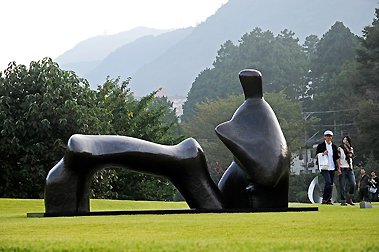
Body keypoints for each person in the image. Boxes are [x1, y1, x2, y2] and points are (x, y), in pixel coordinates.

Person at [316, 130, 339, 205]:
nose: (328, 137)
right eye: (327, 136)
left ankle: (328, 199)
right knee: (328, 182)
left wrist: (339, 168)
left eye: (330, 136)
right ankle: (324, 199)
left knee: (331, 184)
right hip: (324, 167)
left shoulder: (334, 147)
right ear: (325, 137)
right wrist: (323, 154)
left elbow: (336, 158)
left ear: (331, 137)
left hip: (332, 167)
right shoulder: (321, 146)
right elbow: (316, 156)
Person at [337, 136, 355, 206]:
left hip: (349, 168)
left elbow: (351, 157)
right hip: (342, 167)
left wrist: (350, 151)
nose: (345, 140)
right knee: (342, 185)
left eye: (346, 139)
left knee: (353, 184)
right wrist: (338, 169)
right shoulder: (340, 148)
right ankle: (343, 200)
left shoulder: (351, 148)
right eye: (344, 139)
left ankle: (349, 198)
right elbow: (338, 159)